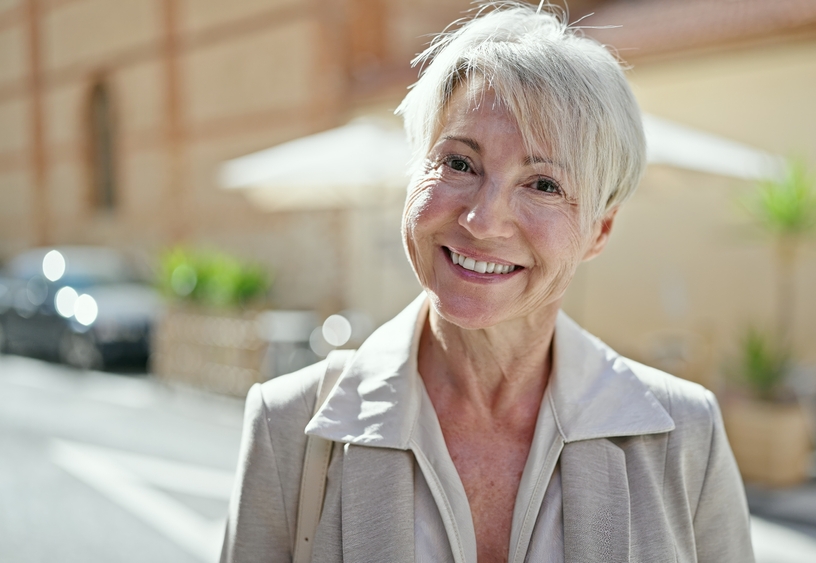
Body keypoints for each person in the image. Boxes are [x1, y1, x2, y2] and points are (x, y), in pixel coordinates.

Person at [221, 2, 754, 562]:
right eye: (458, 163)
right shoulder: (289, 426)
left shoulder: (685, 434)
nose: (482, 221)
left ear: (599, 231)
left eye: (543, 184)